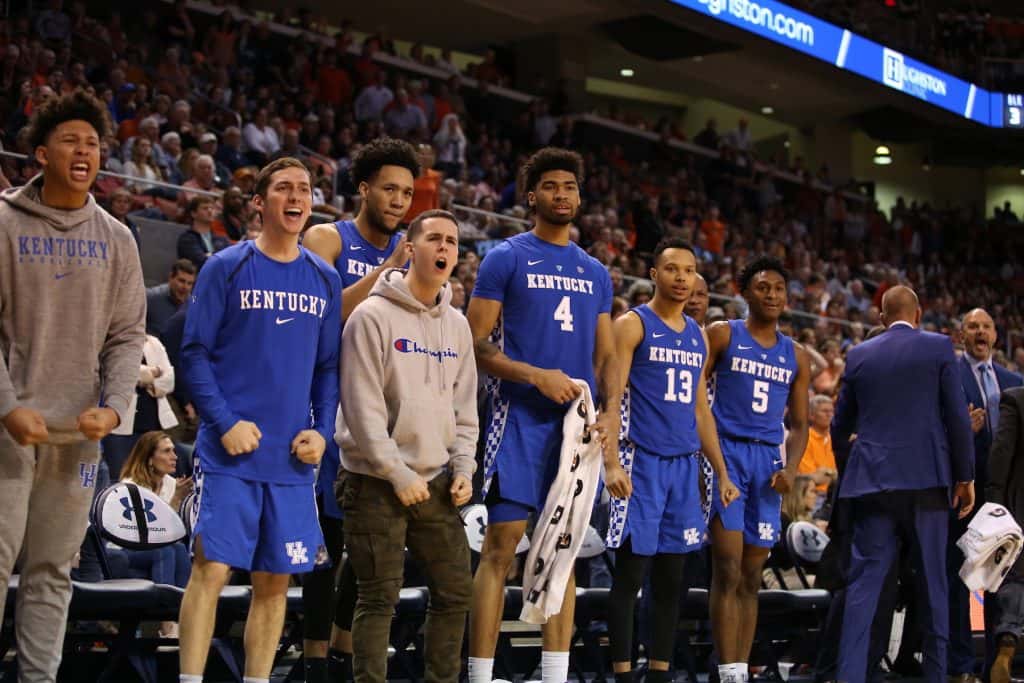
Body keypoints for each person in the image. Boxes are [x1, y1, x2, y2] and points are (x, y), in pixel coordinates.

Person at [177, 157, 341, 683]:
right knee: (211, 569)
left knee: (276, 582)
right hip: (229, 452)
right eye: (284, 188)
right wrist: (224, 422)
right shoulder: (225, 266)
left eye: (305, 190)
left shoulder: (325, 277)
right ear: (258, 201)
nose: (296, 198)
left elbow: (328, 367)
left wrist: (322, 429)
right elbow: (194, 354)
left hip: (291, 460)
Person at [0, 90, 146, 682]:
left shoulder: (118, 238)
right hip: (8, 431)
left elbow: (127, 335)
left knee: (52, 572)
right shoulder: (4, 223)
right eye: (70, 141)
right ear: (41, 153)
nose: (84, 151)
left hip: (77, 438)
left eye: (92, 142)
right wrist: (7, 406)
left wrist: (114, 407)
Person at [466, 147, 623, 683]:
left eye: (570, 186)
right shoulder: (505, 257)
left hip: (574, 428)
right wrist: (535, 375)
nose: (562, 194)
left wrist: (611, 414)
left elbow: (606, 356)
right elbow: (474, 344)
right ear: (531, 196)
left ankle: (554, 676)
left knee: (564, 552)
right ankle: (481, 675)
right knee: (500, 546)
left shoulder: (595, 271)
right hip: (517, 418)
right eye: (551, 186)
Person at [338, 209, 476, 682]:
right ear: (411, 249)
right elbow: (360, 408)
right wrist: (396, 472)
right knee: (379, 596)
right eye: (435, 239)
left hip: (435, 478)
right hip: (373, 479)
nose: (444, 248)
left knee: (456, 591)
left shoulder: (457, 325)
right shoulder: (371, 315)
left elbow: (464, 408)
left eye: (452, 241)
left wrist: (463, 468)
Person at [300, 136, 419, 679]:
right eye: (389, 189)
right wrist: (388, 271)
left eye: (407, 193)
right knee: (325, 545)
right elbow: (320, 317)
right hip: (325, 407)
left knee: (368, 545)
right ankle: (312, 661)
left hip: (383, 415)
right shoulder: (328, 238)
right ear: (364, 189)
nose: (399, 201)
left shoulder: (411, 254)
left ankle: (343, 654)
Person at [606, 237, 739, 683]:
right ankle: (623, 674)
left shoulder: (698, 336)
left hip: (684, 468)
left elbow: (701, 411)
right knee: (629, 578)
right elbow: (611, 399)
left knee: (671, 580)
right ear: (654, 274)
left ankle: (660, 673)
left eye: (689, 270)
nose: (681, 278)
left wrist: (721, 472)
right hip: (640, 462)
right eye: (672, 269)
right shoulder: (632, 324)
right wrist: (611, 462)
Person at [832, 285, 975, 683]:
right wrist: (965, 476)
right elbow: (957, 418)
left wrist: (851, 471)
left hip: (872, 482)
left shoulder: (859, 354)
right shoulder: (939, 347)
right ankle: (936, 675)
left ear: (881, 318)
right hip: (927, 481)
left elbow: (839, 426)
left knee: (864, 587)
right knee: (933, 585)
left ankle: (849, 676)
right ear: (919, 314)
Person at [705, 256, 811, 683]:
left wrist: (792, 467)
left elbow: (800, 425)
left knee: (752, 575)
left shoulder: (797, 355)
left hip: (767, 463)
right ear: (745, 292)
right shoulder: (722, 334)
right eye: (763, 287)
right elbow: (695, 398)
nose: (772, 295)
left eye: (779, 289)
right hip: (727, 456)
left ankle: (740, 670)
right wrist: (712, 460)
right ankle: (726, 669)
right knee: (728, 568)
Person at [951, 308, 1023, 680]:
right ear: (960, 335)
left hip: (1006, 499)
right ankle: (962, 666)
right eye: (973, 326)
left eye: (986, 326)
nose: (980, 332)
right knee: (961, 579)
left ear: (995, 334)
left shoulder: (1014, 380)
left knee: (1002, 578)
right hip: (962, 493)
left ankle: (996, 661)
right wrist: (963, 431)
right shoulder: (949, 376)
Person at [113, 431, 193, 635]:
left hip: (158, 547)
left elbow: (175, 533)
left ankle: (183, 622)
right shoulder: (129, 488)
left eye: (173, 451)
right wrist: (175, 501)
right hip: (125, 549)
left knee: (178, 549)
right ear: (149, 458)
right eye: (167, 451)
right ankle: (166, 625)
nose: (174, 457)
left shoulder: (172, 484)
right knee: (164, 550)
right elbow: (145, 534)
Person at [986, 386, 1024, 683]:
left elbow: (1000, 454)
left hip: (1018, 507)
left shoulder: (1016, 399)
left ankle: (1007, 639)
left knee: (1014, 578)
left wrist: (994, 507)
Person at [798, 394, 838, 496]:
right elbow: (812, 477)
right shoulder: (804, 439)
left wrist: (829, 474)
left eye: (831, 411)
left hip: (835, 494)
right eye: (825, 411)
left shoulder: (836, 438)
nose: (829, 415)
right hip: (812, 493)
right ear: (811, 415)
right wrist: (833, 475)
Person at [177, 195, 229, 271]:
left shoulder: (221, 239)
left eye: (212, 208)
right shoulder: (187, 239)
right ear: (193, 213)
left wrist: (209, 255)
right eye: (205, 208)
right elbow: (200, 262)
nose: (210, 211)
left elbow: (229, 260)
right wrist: (217, 256)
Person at [146, 258, 196, 336]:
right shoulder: (150, 298)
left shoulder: (194, 304)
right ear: (170, 278)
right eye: (181, 281)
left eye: (189, 283)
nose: (185, 287)